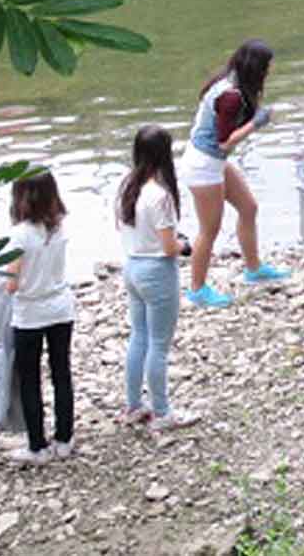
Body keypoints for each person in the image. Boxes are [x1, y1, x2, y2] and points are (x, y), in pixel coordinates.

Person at [180, 39, 288, 308]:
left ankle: (253, 268)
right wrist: (256, 123)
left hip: (214, 161)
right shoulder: (230, 95)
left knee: (249, 207)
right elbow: (224, 142)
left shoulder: (232, 81)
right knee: (209, 230)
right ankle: (197, 288)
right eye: (267, 67)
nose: (270, 71)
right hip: (204, 164)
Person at [116, 125, 199, 430]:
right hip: (156, 271)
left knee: (138, 337)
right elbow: (168, 246)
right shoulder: (160, 196)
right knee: (159, 344)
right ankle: (162, 412)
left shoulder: (127, 186)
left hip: (133, 266)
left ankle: (134, 405)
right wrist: (186, 246)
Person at [3, 171, 76, 465]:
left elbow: (11, 283)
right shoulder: (59, 228)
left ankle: (38, 446)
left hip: (29, 314)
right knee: (61, 373)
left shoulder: (19, 235)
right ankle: (64, 439)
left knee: (30, 379)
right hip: (60, 308)